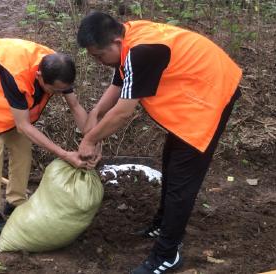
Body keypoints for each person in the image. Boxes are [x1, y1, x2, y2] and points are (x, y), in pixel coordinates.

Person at [77, 12, 242, 274]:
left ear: (116, 42)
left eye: (99, 56)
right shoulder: (130, 37)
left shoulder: (142, 51)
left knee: (181, 181)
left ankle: (167, 254)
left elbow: (123, 111)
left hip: (210, 94)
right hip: (196, 89)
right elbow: (121, 81)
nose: (98, 62)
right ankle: (162, 224)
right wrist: (95, 114)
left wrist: (91, 139)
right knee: (170, 162)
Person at [0, 38, 89, 234]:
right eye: (54, 90)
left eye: (62, 90)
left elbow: (75, 106)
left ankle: (16, 201)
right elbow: (23, 125)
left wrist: (91, 140)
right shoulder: (16, 73)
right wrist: (65, 154)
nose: (59, 94)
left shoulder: (58, 68)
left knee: (22, 145)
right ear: (39, 75)